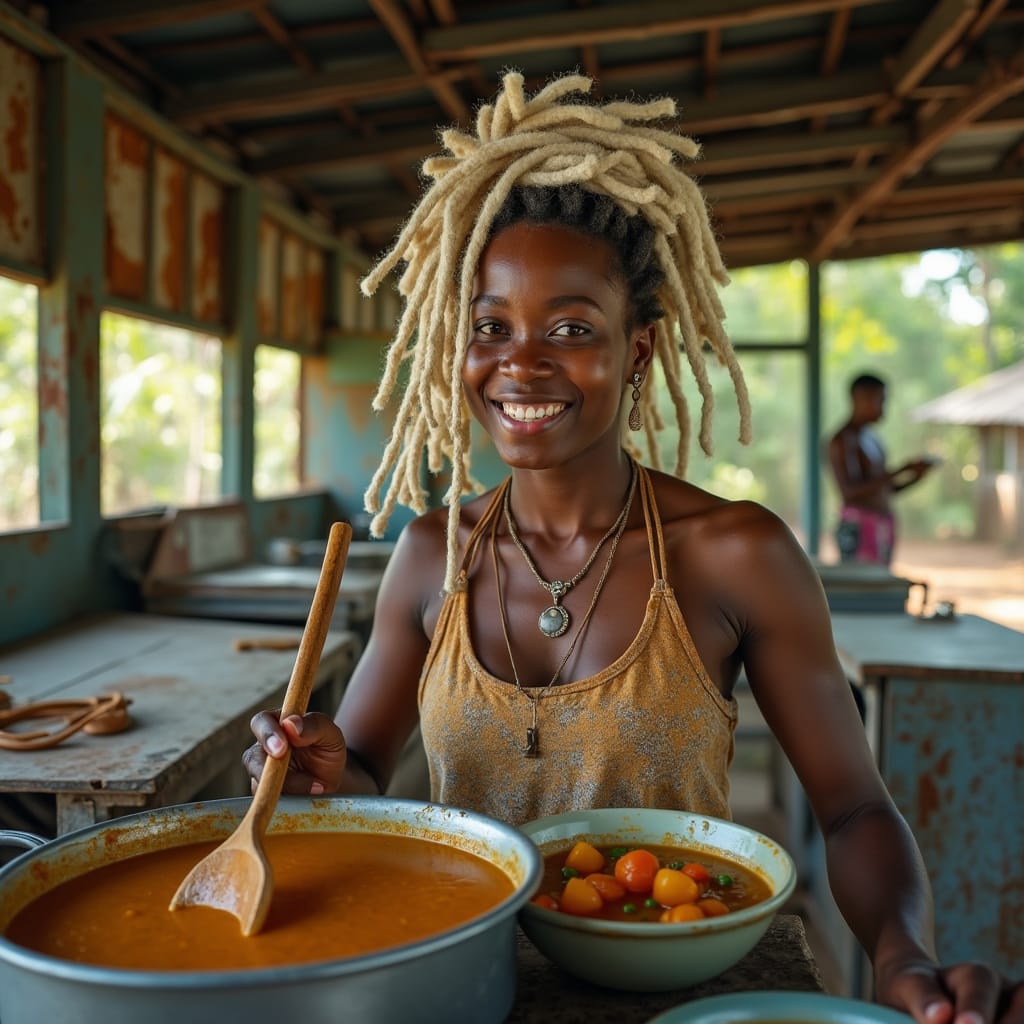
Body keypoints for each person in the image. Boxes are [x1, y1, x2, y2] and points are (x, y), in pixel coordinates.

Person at [245, 73, 1021, 1023]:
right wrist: (320, 769)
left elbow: (855, 809)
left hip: (693, 991)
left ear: (640, 351)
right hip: (461, 984)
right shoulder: (432, 554)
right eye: (491, 326)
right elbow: (363, 770)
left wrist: (902, 954)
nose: (521, 362)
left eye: (571, 328)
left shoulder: (736, 554)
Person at [828, 372, 937, 566]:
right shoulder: (842, 441)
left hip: (881, 525)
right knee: (862, 590)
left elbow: (886, 490)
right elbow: (849, 493)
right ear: (858, 398)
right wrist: (901, 470)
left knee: (878, 586)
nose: (883, 408)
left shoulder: (871, 438)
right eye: (879, 400)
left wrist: (916, 476)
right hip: (859, 527)